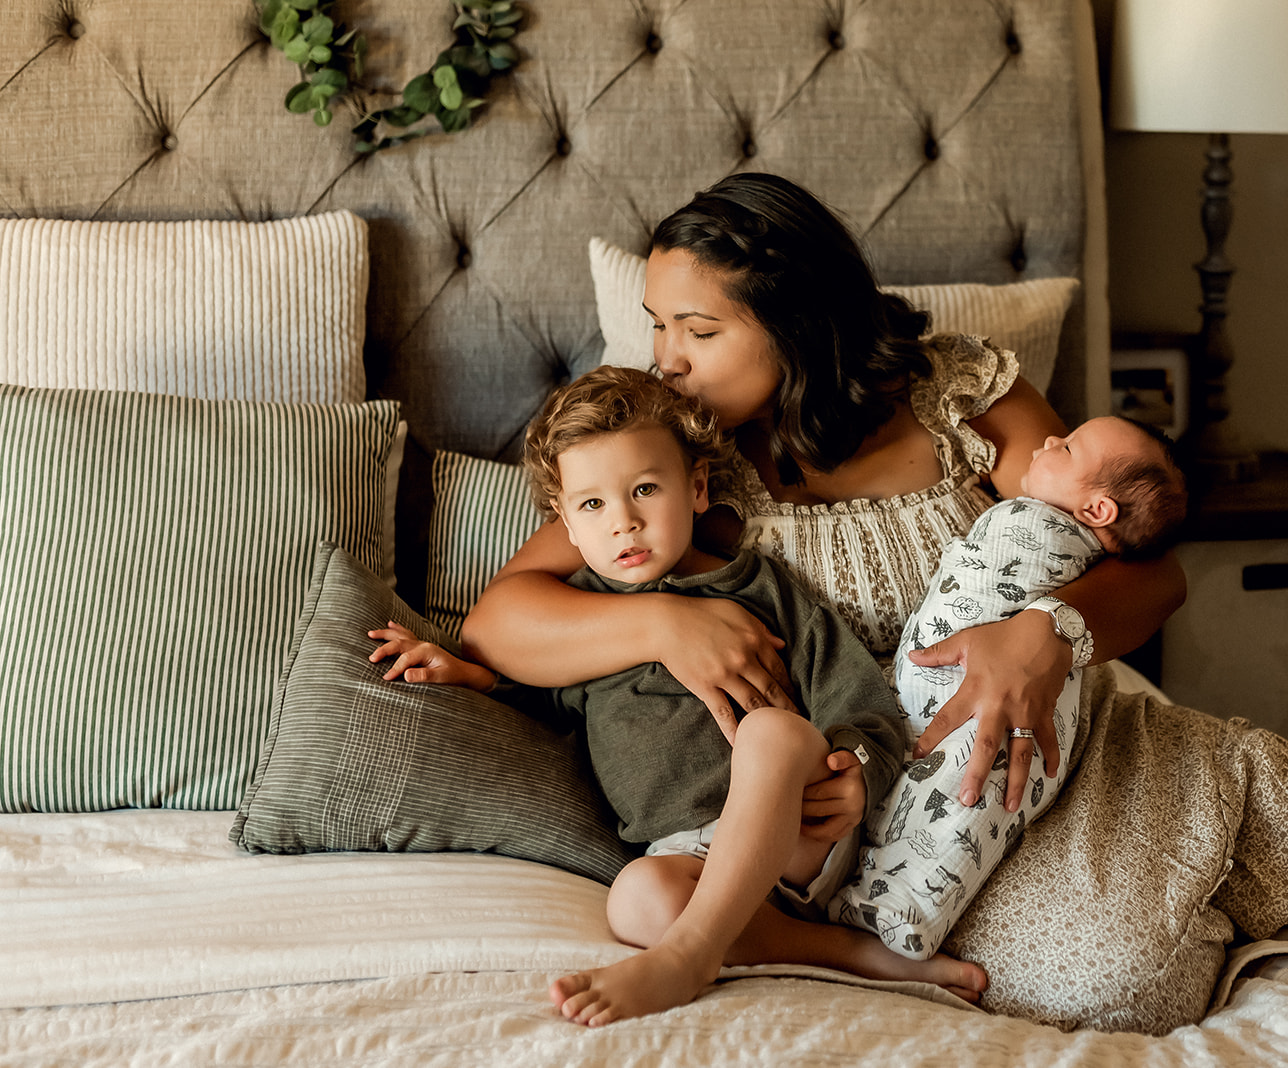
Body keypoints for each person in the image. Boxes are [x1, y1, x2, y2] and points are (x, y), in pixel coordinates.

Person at [462, 173, 1288, 1026]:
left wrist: (1052, 631)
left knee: (1161, 959)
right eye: (658, 326)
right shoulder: (681, 459)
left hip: (1040, 730)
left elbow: (1145, 563)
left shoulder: (955, 393)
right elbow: (503, 614)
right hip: (880, 798)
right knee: (1089, 981)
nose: (668, 361)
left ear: (797, 321)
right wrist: (663, 617)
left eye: (697, 331)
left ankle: (1227, 850)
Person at [373, 365, 987, 1027]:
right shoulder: (580, 618)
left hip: (795, 829)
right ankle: (841, 952)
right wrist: (468, 674)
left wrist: (858, 770)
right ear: (566, 526)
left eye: (644, 490)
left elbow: (856, 693)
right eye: (593, 506)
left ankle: (689, 958)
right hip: (686, 857)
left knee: (771, 732)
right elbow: (545, 706)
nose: (624, 524)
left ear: (696, 489)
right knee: (634, 901)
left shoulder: (758, 588)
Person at [830, 415, 1187, 956]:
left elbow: (1163, 579)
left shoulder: (1056, 533)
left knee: (970, 796)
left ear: (1097, 512)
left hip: (1007, 711)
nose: (1048, 441)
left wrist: (1047, 627)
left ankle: (911, 909)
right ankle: (855, 887)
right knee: (913, 799)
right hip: (897, 704)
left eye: (1065, 448)